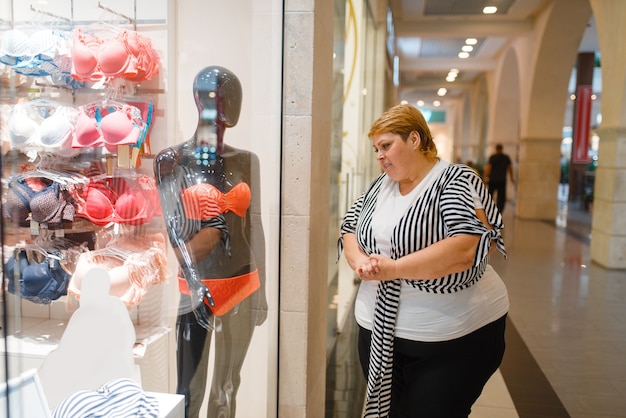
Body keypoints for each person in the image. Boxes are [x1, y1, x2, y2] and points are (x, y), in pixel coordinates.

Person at [339, 104, 509, 418]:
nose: (380, 156)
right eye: (376, 148)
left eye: (387, 145)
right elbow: (349, 227)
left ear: (415, 139)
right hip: (382, 332)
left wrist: (393, 269)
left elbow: (466, 247)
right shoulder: (380, 186)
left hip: (452, 339)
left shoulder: (454, 180)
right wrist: (359, 260)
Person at [154, 66, 267, 418]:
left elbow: (255, 224)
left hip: (243, 284)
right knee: (188, 391)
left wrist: (262, 291)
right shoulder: (171, 161)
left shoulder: (247, 161)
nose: (231, 104)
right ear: (199, 99)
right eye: (222, 95)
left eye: (234, 95)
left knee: (227, 390)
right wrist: (193, 279)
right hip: (195, 291)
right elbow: (174, 230)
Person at [483, 143, 514, 212]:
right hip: (502, 180)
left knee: (490, 195)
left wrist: (485, 177)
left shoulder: (493, 157)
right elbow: (510, 168)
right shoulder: (506, 157)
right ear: (502, 149)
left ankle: (489, 208)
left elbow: (488, 168)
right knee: (501, 197)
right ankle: (499, 210)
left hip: (493, 179)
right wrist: (511, 177)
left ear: (496, 149)